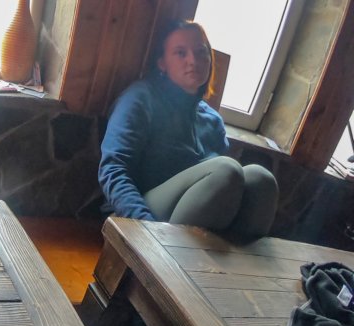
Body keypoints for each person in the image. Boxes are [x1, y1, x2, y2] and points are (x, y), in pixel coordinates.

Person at [99, 20, 278, 238]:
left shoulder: (212, 120)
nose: (193, 61)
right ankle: (162, 257)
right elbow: (113, 170)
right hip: (140, 217)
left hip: (190, 224)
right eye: (180, 53)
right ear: (162, 63)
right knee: (226, 170)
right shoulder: (140, 99)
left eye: (201, 52)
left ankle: (229, 259)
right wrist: (145, 229)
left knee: (261, 179)